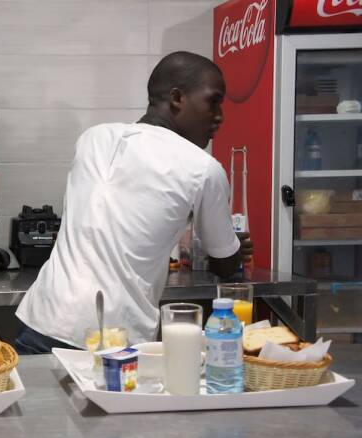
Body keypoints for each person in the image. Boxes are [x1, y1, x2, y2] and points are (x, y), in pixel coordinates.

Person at [14, 51, 253, 355]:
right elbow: (224, 263)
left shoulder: (93, 138)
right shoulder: (203, 169)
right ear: (177, 98)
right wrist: (236, 248)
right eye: (213, 101)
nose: (220, 116)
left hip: (44, 322)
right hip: (113, 340)